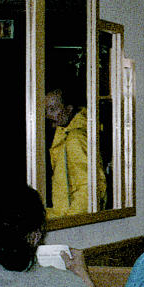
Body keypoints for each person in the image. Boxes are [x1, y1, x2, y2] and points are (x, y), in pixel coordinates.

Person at [45, 86, 107, 219]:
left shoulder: (75, 138)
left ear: (68, 109)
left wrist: (69, 221)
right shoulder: (64, 135)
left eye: (53, 109)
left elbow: (89, 188)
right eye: (46, 110)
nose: (48, 115)